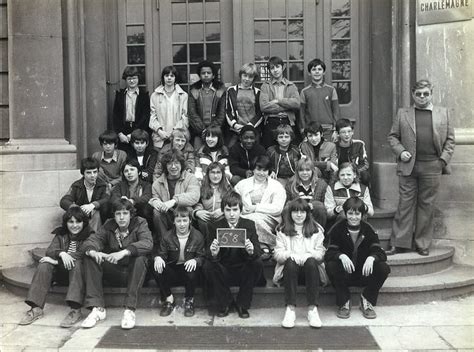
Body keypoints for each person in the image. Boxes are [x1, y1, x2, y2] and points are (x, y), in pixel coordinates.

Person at [387, 79, 455, 256]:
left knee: (427, 205)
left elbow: (450, 140)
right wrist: (401, 152)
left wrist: (442, 160)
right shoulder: (403, 113)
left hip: (433, 166)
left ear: (431, 94)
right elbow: (393, 137)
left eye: (426, 93)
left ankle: (422, 243)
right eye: (418, 94)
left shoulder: (443, 113)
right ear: (413, 95)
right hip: (409, 166)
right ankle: (399, 243)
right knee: (405, 204)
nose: (422, 97)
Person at [81, 199, 153, 330]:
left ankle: (129, 310)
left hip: (137, 274)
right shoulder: (109, 225)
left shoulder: (140, 223)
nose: (121, 217)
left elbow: (147, 243)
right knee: (90, 258)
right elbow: (92, 240)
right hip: (117, 271)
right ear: (113, 215)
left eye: (125, 213)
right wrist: (92, 251)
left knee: (141, 258)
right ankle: (98, 309)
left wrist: (125, 252)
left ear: (131, 214)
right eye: (118, 213)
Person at [19, 207, 93, 328]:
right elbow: (50, 250)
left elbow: (82, 254)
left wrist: (56, 262)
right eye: (71, 222)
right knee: (44, 264)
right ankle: (36, 308)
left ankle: (76, 310)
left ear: (84, 222)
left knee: (77, 263)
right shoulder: (61, 234)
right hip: (62, 274)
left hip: (79, 276)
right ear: (66, 223)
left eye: (78, 222)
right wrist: (61, 253)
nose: (75, 225)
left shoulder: (89, 235)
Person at [325, 197, 390, 319]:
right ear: (345, 214)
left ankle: (367, 299)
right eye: (350, 213)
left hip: (364, 274)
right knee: (331, 265)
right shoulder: (337, 229)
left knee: (383, 268)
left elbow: (381, 253)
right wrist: (341, 255)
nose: (353, 217)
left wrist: (372, 258)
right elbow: (329, 254)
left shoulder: (368, 229)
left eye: (357, 214)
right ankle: (344, 301)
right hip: (345, 275)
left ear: (362, 215)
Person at [203, 191, 264, 318]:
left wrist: (251, 251)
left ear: (240, 210)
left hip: (243, 270)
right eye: (228, 210)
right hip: (224, 271)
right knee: (208, 265)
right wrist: (214, 254)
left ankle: (242, 304)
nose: (231, 214)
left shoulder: (249, 225)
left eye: (235, 209)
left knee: (256, 262)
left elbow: (258, 251)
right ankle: (225, 302)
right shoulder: (215, 226)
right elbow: (208, 253)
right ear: (223, 210)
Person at [273, 199, 326, 328]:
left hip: (312, 271)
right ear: (290, 214)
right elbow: (277, 255)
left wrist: (309, 254)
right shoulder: (282, 230)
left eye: (302, 212)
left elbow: (321, 253)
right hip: (290, 273)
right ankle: (290, 309)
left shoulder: (316, 230)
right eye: (295, 212)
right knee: (290, 262)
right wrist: (290, 255)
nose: (299, 215)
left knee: (311, 261)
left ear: (308, 214)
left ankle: (312, 309)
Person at [153, 206, 205, 318]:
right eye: (178, 221)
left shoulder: (197, 236)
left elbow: (203, 257)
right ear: (174, 222)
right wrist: (158, 258)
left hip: (189, 272)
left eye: (185, 220)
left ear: (190, 221)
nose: (182, 224)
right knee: (156, 267)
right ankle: (169, 299)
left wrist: (196, 260)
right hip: (174, 270)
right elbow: (162, 253)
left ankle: (189, 300)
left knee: (193, 268)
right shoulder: (167, 236)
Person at [234, 155, 287, 248]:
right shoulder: (242, 184)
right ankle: (258, 245)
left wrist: (255, 208)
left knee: (253, 220)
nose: (261, 173)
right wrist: (242, 210)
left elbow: (278, 208)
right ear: (253, 170)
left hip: (270, 217)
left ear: (269, 171)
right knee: (243, 221)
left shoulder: (276, 186)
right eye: (258, 169)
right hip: (244, 215)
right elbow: (234, 201)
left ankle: (267, 244)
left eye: (265, 170)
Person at [149, 149, 200, 239]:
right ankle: (164, 242)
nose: (173, 167)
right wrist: (155, 202)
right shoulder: (157, 183)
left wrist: (174, 201)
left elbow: (194, 196)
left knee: (186, 208)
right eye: (169, 163)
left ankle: (187, 240)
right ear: (165, 166)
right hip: (167, 216)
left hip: (185, 214)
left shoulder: (190, 178)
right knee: (156, 213)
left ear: (181, 164)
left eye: (176, 163)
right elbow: (155, 197)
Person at [259, 56, 300, 148]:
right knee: (269, 150)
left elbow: (297, 103)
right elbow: (264, 106)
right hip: (271, 122)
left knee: (288, 150)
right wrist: (287, 106)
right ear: (269, 70)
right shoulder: (265, 86)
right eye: (272, 68)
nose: (275, 70)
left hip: (287, 121)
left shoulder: (291, 86)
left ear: (283, 67)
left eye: (277, 67)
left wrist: (277, 101)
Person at [60, 157, 109, 232]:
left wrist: (93, 205)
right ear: (83, 173)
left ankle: (93, 239)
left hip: (98, 219)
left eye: (95, 172)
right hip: (81, 217)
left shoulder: (103, 185)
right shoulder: (76, 185)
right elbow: (64, 201)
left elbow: (107, 199)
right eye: (89, 172)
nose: (93, 175)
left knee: (96, 214)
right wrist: (77, 208)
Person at [299, 58, 340, 142]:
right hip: (311, 130)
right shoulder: (304, 91)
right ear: (309, 73)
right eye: (314, 69)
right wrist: (303, 131)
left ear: (323, 72)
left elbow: (336, 112)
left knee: (327, 153)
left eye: (319, 69)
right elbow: (301, 114)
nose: (317, 72)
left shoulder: (331, 90)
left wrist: (336, 130)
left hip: (328, 130)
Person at [149, 65, 189, 152]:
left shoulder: (183, 95)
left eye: (172, 76)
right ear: (163, 78)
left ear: (175, 78)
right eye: (167, 76)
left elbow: (185, 116)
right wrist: (160, 131)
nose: (169, 78)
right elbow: (152, 116)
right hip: (160, 137)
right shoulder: (155, 95)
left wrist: (174, 132)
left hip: (177, 137)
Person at [188, 60, 226, 149]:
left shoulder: (220, 90)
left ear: (213, 75)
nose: (206, 75)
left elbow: (222, 113)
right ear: (199, 75)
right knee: (198, 155)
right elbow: (192, 113)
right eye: (203, 73)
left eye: (208, 73)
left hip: (216, 131)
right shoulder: (194, 90)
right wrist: (203, 130)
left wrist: (212, 130)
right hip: (199, 131)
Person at [112, 66, 150, 153]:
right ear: (125, 80)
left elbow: (145, 117)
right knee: (124, 155)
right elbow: (116, 116)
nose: (132, 81)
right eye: (129, 79)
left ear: (138, 79)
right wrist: (120, 134)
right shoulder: (120, 95)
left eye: (134, 78)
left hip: (139, 130)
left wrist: (132, 134)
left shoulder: (144, 96)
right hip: (123, 130)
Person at [225, 63, 263, 146]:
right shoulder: (231, 91)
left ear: (254, 78)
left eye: (250, 77)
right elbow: (227, 111)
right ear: (241, 75)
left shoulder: (258, 92)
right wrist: (234, 124)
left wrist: (250, 126)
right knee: (230, 152)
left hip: (252, 130)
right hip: (236, 131)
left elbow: (260, 113)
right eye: (245, 75)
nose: (247, 79)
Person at [109, 159, 153, 228]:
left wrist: (132, 201)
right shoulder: (119, 186)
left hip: (140, 213)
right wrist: (122, 201)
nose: (129, 173)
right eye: (126, 171)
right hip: (124, 213)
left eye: (132, 170)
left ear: (139, 172)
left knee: (146, 209)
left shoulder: (146, 185)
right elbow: (114, 198)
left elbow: (147, 197)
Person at [285, 158, 328, 227]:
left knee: (319, 206)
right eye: (301, 170)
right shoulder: (290, 185)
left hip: (314, 215)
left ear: (313, 171)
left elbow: (325, 205)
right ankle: (290, 232)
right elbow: (287, 203)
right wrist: (303, 206)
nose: (305, 173)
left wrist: (312, 205)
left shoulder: (321, 184)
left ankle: (318, 232)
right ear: (297, 172)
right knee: (287, 208)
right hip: (296, 214)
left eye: (308, 170)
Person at [193, 162, 232, 236]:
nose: (215, 176)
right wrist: (199, 211)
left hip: (221, 216)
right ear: (208, 174)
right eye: (212, 173)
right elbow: (197, 202)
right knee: (202, 222)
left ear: (222, 174)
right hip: (206, 216)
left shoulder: (228, 188)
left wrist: (223, 210)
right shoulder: (201, 187)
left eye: (218, 172)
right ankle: (207, 245)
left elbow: (233, 203)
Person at [334, 118, 370, 186]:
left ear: (353, 131)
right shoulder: (333, 146)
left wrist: (353, 173)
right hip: (339, 173)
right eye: (343, 132)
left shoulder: (359, 144)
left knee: (365, 175)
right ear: (338, 133)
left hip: (354, 172)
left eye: (349, 131)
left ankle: (364, 194)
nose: (347, 134)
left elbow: (365, 164)